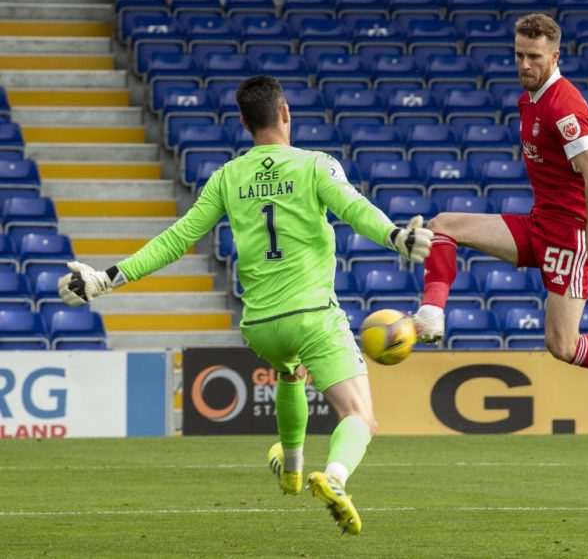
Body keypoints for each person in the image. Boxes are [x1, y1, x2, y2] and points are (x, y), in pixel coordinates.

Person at [57, 75, 434, 534]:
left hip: (259, 326)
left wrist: (107, 278)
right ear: (286, 112)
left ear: (243, 122)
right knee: (361, 417)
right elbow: (353, 208)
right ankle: (333, 478)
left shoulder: (228, 177)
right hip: (312, 315)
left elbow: (178, 239)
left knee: (289, 370)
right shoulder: (316, 165)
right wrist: (396, 236)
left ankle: (292, 469)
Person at [412, 13, 588, 417]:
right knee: (443, 225)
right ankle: (431, 314)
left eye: (535, 57)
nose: (525, 65)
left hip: (569, 237)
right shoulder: (528, 99)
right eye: (519, 55)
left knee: (561, 344)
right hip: (539, 223)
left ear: (555, 55)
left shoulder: (565, 107)